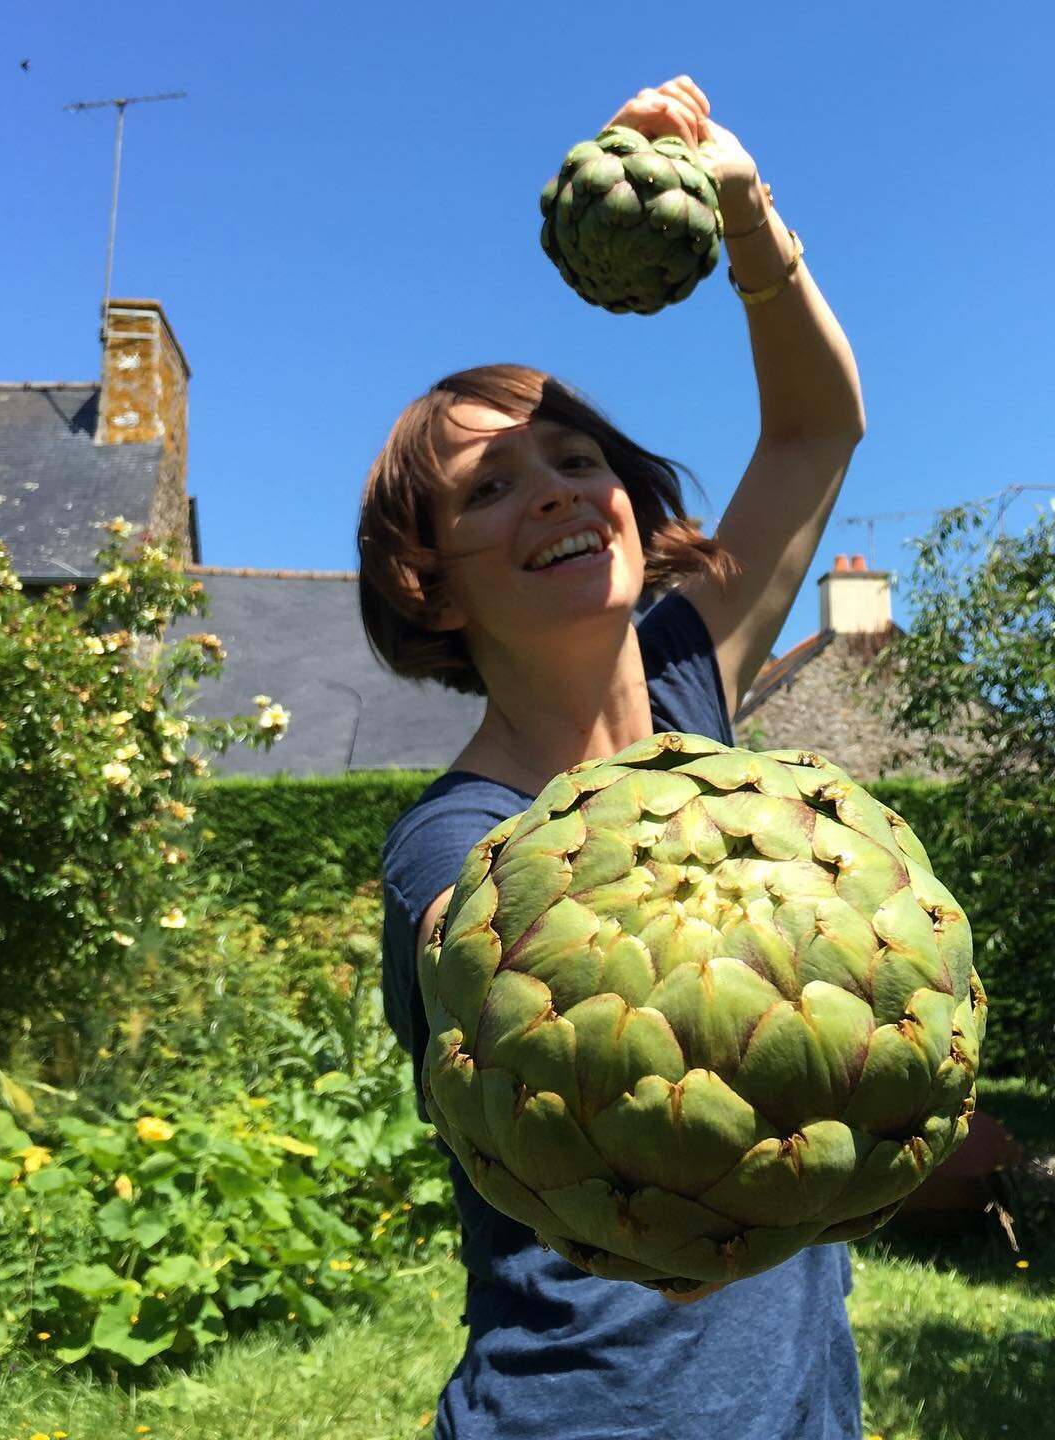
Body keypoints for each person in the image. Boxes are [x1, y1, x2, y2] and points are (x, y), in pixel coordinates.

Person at [357, 76, 865, 1440]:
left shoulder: (694, 684)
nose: (560, 492)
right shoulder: (457, 845)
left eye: (576, 458)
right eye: (493, 489)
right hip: (587, 1417)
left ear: (633, 504)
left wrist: (746, 217)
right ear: (431, 587)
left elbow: (815, 433)